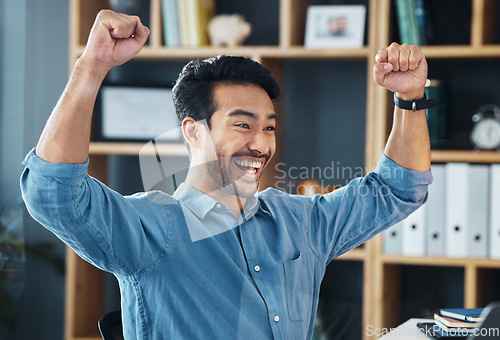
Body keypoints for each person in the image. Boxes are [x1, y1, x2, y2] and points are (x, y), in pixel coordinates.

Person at [20, 10, 433, 340]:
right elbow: (51, 193)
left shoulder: (300, 222)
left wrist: (410, 98)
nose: (261, 143)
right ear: (193, 131)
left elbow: (398, 189)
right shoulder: (149, 228)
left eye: (269, 127)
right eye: (242, 125)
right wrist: (90, 67)